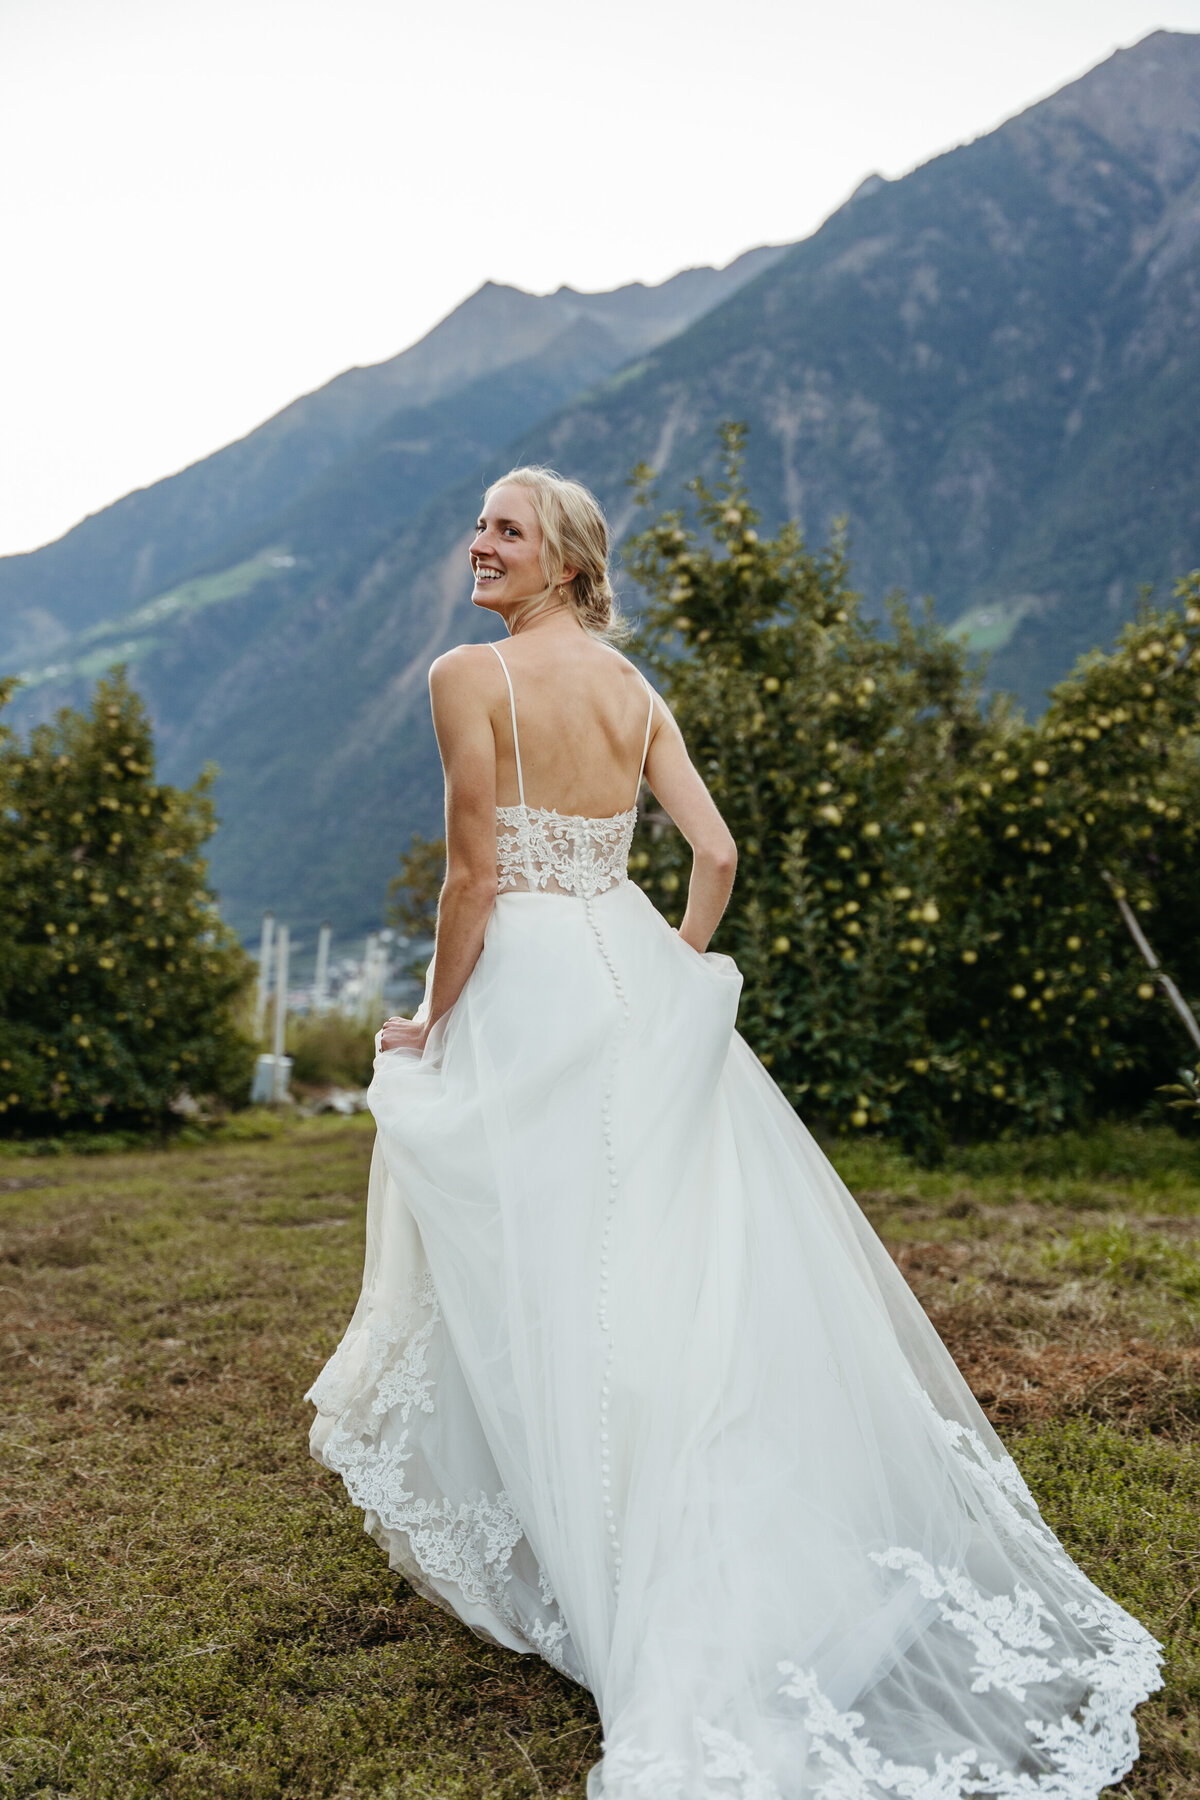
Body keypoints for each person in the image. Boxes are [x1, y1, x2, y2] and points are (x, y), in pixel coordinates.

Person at [308, 466, 1161, 1800]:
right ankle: (705, 1539)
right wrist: (672, 978)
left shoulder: (467, 679)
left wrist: (430, 1015)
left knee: (540, 1261)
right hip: (628, 974)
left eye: (506, 531)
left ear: (563, 560)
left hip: (527, 987)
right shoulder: (637, 690)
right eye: (477, 525)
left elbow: (474, 874)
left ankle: (590, 1543)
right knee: (661, 1271)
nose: (479, 544)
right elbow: (715, 856)